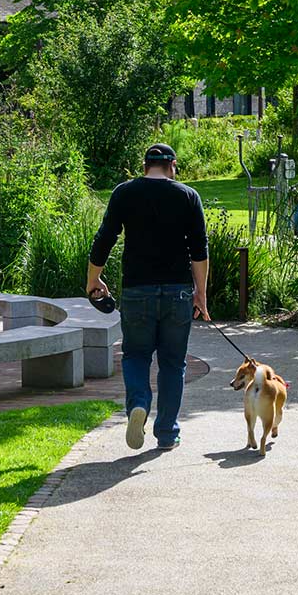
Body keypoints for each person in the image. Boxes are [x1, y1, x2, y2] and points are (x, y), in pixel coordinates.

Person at [86, 143, 209, 452]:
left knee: (136, 355)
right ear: (173, 166)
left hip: (137, 290)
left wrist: (93, 279)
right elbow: (199, 249)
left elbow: (105, 238)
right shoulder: (188, 196)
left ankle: (138, 404)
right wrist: (201, 294)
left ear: (145, 166)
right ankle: (167, 433)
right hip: (177, 291)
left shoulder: (124, 193)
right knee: (172, 362)